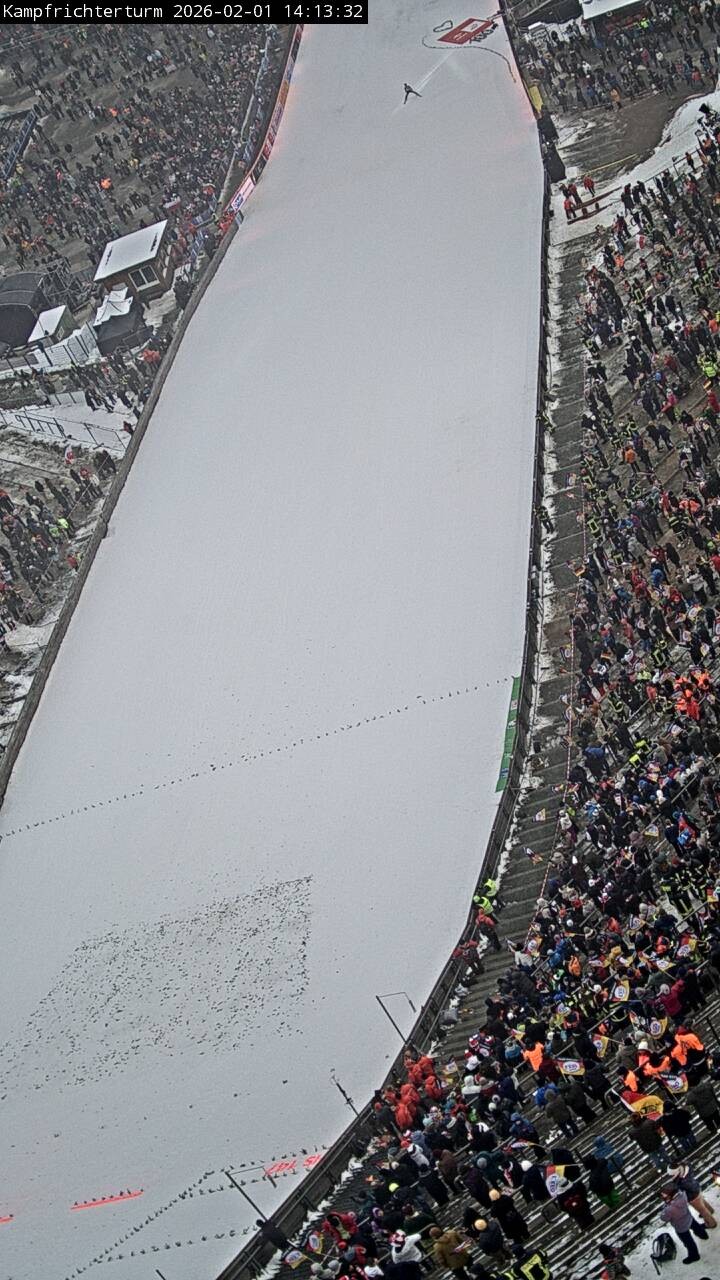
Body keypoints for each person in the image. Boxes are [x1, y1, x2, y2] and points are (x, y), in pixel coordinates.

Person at [659, 1185, 708, 1263]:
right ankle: (704, 1235)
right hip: (688, 1217)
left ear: (671, 1195)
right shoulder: (682, 1195)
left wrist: (665, 1207)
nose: (663, 1197)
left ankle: (694, 1256)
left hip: (681, 1227)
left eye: (664, 1195)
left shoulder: (669, 1209)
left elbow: (664, 1218)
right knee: (697, 1227)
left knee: (688, 1242)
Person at [668, 1165, 717, 1229]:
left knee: (702, 1211)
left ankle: (711, 1224)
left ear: (676, 1173)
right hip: (697, 1189)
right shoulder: (686, 1169)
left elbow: (684, 1189)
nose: (671, 1176)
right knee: (703, 1202)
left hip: (693, 1197)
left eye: (672, 1174)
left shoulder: (681, 1181)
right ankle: (710, 1210)